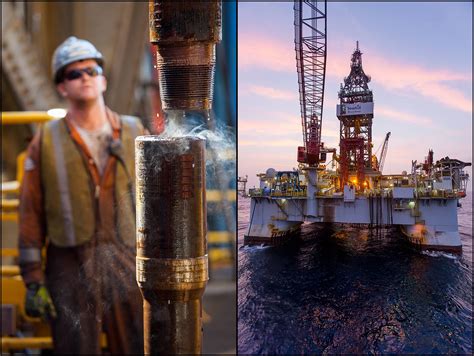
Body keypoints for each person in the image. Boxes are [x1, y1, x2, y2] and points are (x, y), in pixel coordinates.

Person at [18, 36, 145, 354]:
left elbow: (159, 202)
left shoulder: (135, 132)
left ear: (103, 79)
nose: (85, 77)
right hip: (69, 262)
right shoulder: (45, 142)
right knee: (74, 347)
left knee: (137, 344)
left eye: (91, 70)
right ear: (62, 87)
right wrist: (33, 281)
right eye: (74, 74)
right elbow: (30, 211)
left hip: (128, 258)